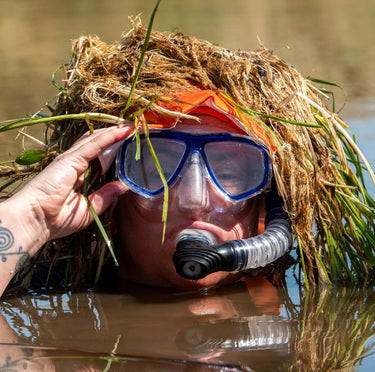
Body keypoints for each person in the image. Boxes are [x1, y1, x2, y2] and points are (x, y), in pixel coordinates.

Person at [0, 25, 374, 296]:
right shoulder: (41, 287)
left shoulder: (309, 318)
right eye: (159, 169)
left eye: (228, 171)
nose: (194, 200)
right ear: (109, 208)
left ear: (269, 207)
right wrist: (32, 221)